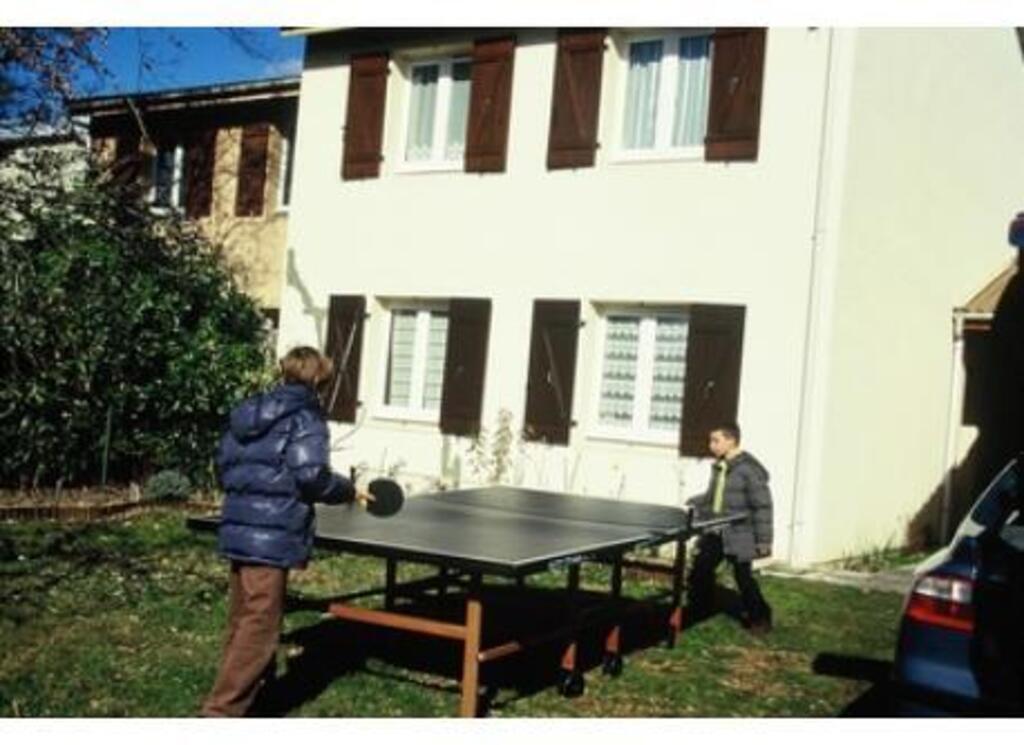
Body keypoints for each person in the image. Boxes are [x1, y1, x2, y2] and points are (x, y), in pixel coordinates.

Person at [201, 346, 371, 717]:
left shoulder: (249, 412)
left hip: (238, 525)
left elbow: (224, 464)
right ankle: (220, 713)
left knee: (243, 618)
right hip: (272, 532)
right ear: (318, 380)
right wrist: (347, 490)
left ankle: (255, 698)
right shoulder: (307, 417)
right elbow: (311, 476)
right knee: (260, 625)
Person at [686, 422, 774, 634]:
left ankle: (761, 617)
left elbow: (763, 506)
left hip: (740, 533)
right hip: (716, 531)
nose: (711, 446)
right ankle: (701, 608)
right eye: (711, 441)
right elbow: (713, 497)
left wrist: (764, 541)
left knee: (743, 578)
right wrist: (695, 502)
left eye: (716, 441)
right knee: (701, 568)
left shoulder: (749, 470)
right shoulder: (720, 466)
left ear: (731, 440)